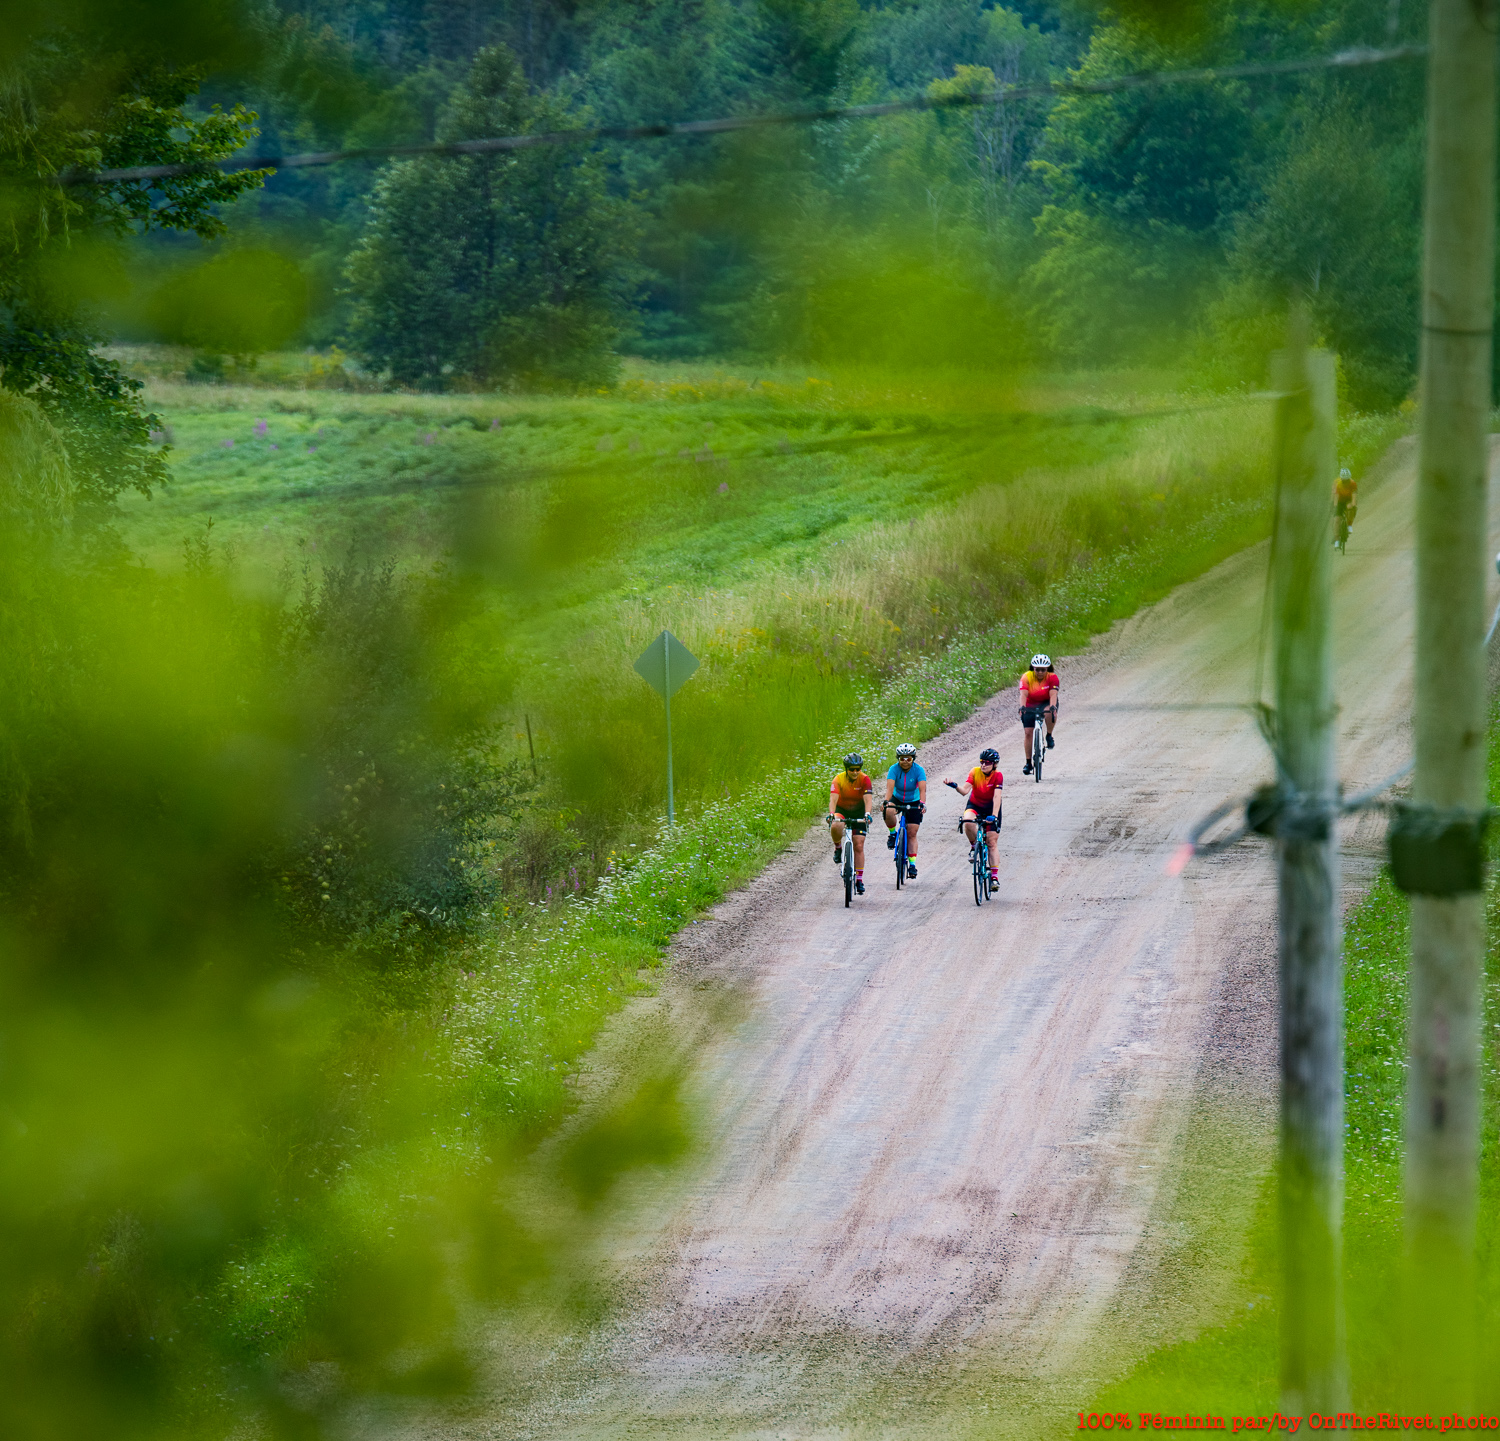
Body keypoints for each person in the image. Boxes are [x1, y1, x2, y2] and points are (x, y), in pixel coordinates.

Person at [945, 747, 1003, 889]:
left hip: (991, 809)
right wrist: (955, 786)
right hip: (975, 805)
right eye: (982, 762)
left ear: (994, 764)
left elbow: (997, 797)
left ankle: (994, 877)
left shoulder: (998, 776)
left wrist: (994, 816)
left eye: (987, 762)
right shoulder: (975, 772)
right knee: (967, 821)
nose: (983, 765)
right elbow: (965, 791)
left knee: (991, 843)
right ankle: (973, 846)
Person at [828, 751, 874, 895]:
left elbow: (868, 799)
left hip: (859, 811)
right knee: (836, 824)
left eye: (857, 769)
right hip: (842, 809)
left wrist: (867, 814)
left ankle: (859, 880)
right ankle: (838, 847)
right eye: (851, 769)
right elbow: (833, 799)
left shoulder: (865, 779)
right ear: (846, 769)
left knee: (859, 844)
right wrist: (831, 814)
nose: (855, 772)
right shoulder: (838, 779)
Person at [883, 742, 927, 880]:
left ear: (913, 758)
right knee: (888, 810)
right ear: (898, 759)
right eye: (902, 759)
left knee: (912, 832)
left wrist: (922, 804)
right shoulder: (893, 769)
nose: (905, 762)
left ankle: (912, 865)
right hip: (897, 798)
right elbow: (889, 790)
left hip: (913, 801)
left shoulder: (919, 770)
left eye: (908, 758)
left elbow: (922, 790)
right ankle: (892, 834)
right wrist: (886, 802)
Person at [1018, 653, 1059, 775]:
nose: (1040, 672)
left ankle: (1049, 735)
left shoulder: (1052, 677)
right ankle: (1028, 763)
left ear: (1048, 669)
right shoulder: (1026, 677)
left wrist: (1052, 707)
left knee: (1050, 713)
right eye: (1037, 669)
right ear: (1033, 668)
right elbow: (1023, 694)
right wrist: (1022, 707)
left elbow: (1053, 695)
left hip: (1046, 702)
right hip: (1030, 703)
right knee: (1028, 733)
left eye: (1043, 669)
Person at [1334, 467, 1358, 545]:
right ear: (1341, 479)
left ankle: (1349, 525)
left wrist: (1353, 504)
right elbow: (1336, 496)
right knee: (1337, 520)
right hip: (1340, 501)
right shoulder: (1339, 484)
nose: (1346, 482)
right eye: (1344, 480)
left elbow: (1354, 495)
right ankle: (1337, 540)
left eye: (1347, 480)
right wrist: (1335, 506)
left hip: (1349, 500)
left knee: (1352, 508)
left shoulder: (1353, 483)